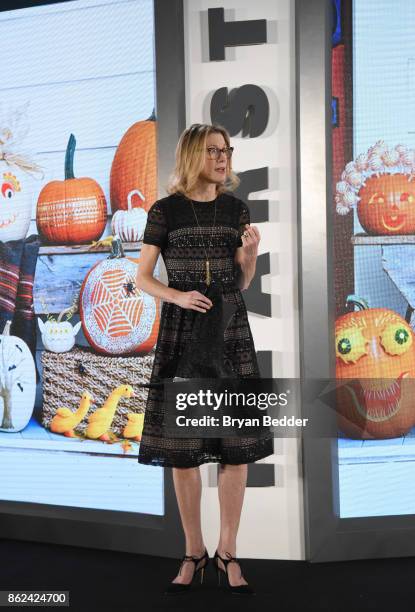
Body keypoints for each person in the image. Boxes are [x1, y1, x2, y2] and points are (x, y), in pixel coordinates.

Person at [136, 123, 274, 595]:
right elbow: (142, 278)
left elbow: (241, 283)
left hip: (230, 334)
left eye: (226, 150)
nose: (223, 158)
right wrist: (176, 295)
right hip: (182, 335)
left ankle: (228, 553)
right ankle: (193, 551)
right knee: (183, 451)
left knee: (236, 449)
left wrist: (251, 257)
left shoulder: (236, 209)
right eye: (214, 150)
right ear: (194, 154)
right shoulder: (165, 211)